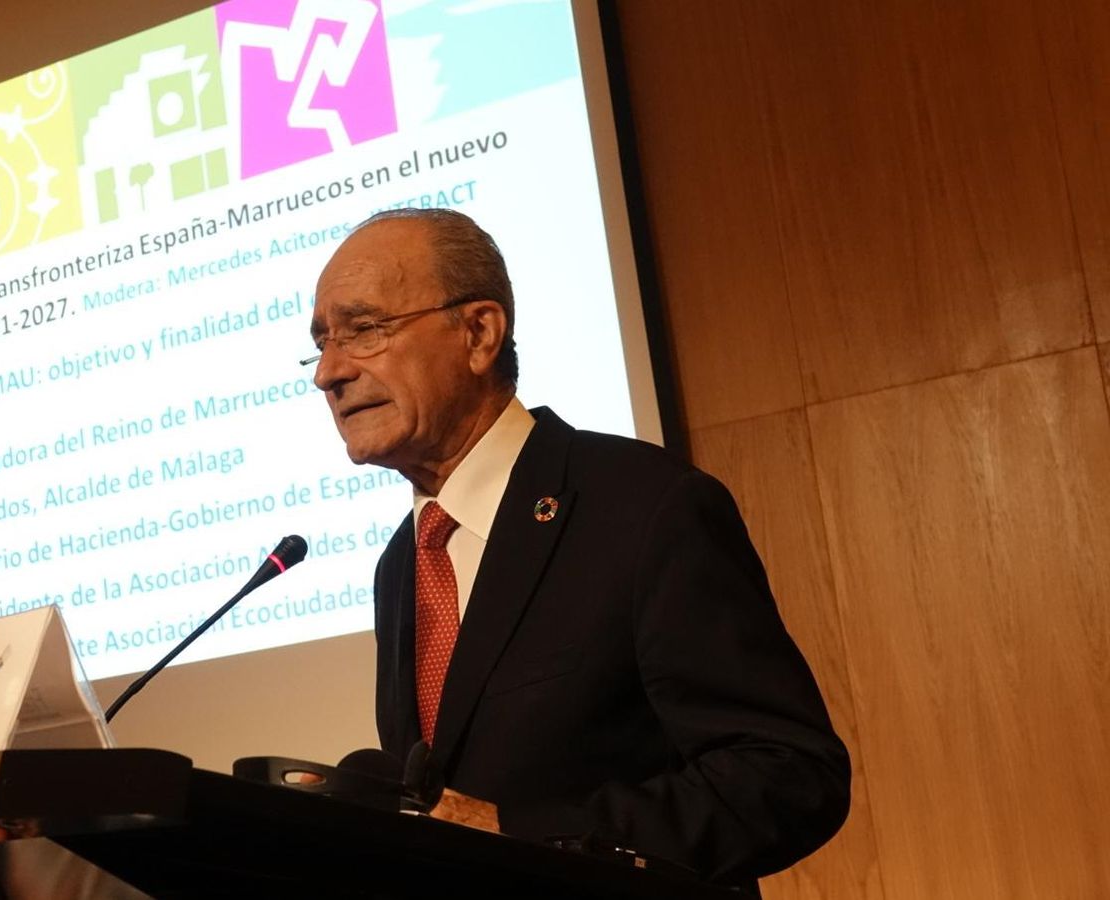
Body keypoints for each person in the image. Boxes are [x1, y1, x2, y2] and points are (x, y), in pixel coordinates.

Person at [306, 208, 850, 885]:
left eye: (365, 329)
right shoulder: (403, 562)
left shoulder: (643, 506)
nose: (328, 371)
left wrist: (527, 837)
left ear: (478, 333)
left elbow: (788, 772)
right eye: (322, 341)